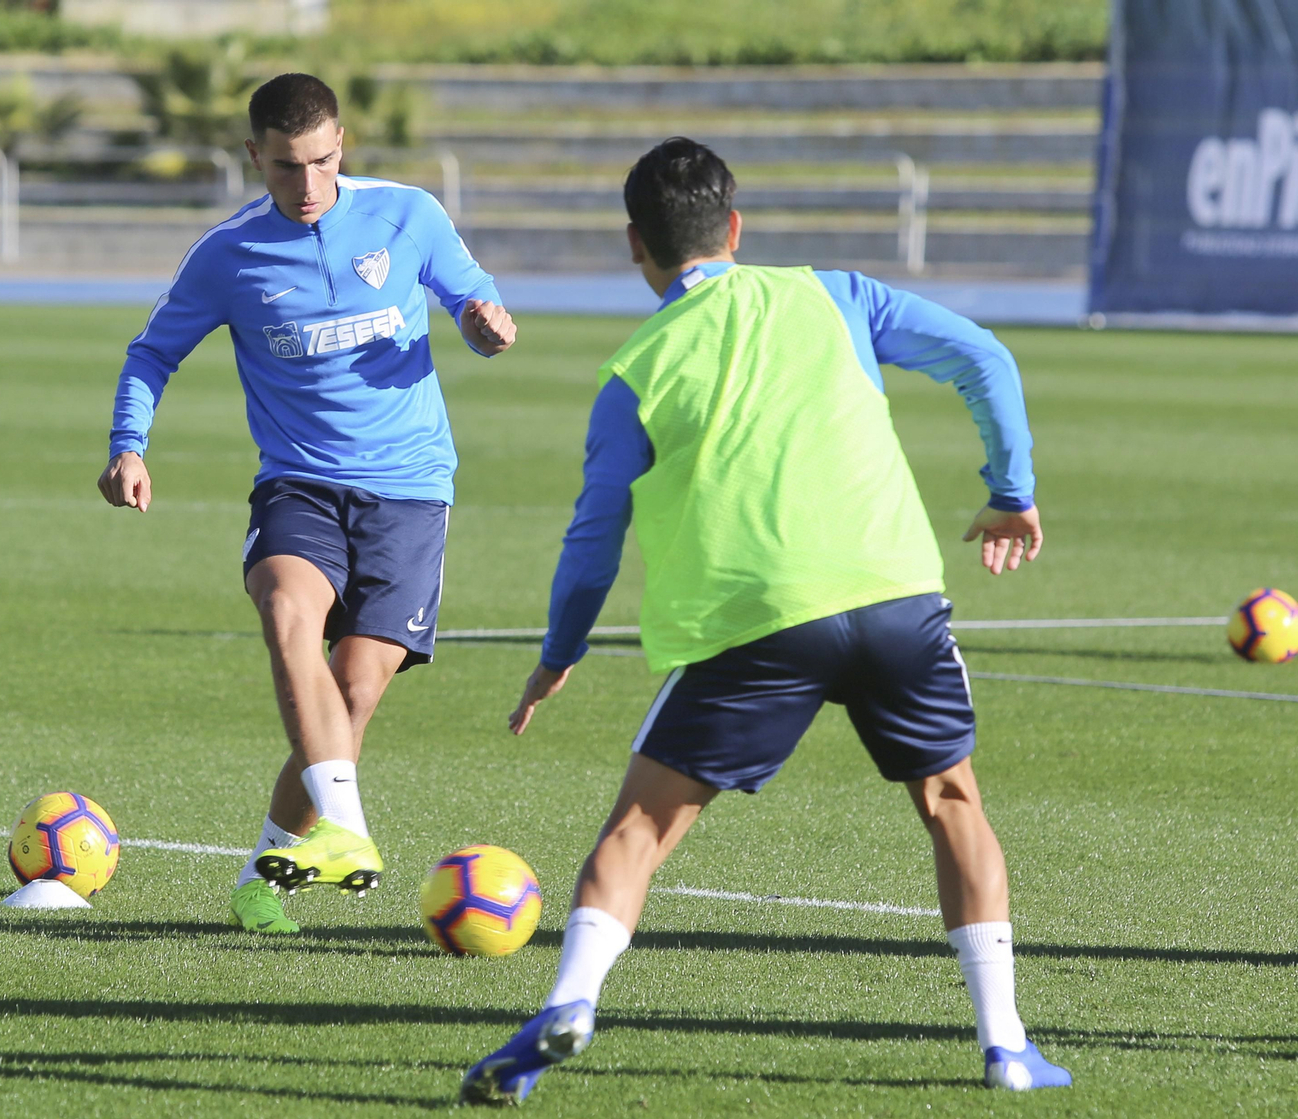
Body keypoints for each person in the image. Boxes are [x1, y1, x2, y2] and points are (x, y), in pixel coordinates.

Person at [460, 137, 1070, 1104]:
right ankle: (1006, 1046)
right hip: (895, 597)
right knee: (953, 802)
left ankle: (571, 1001)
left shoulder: (634, 371)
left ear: (635, 247)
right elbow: (983, 356)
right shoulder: (834, 293)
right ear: (735, 229)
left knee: (641, 829)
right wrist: (1012, 490)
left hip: (753, 625)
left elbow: (592, 540)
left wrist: (558, 653)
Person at [99, 73, 517, 935]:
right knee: (287, 605)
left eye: (324, 162)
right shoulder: (229, 255)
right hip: (299, 480)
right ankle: (348, 828)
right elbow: (152, 353)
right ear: (255, 157)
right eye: (288, 168)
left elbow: (476, 300)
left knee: (352, 694)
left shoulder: (408, 215)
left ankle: (263, 874)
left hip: (411, 489)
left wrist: (484, 324)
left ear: (343, 145)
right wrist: (128, 446)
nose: (310, 186)